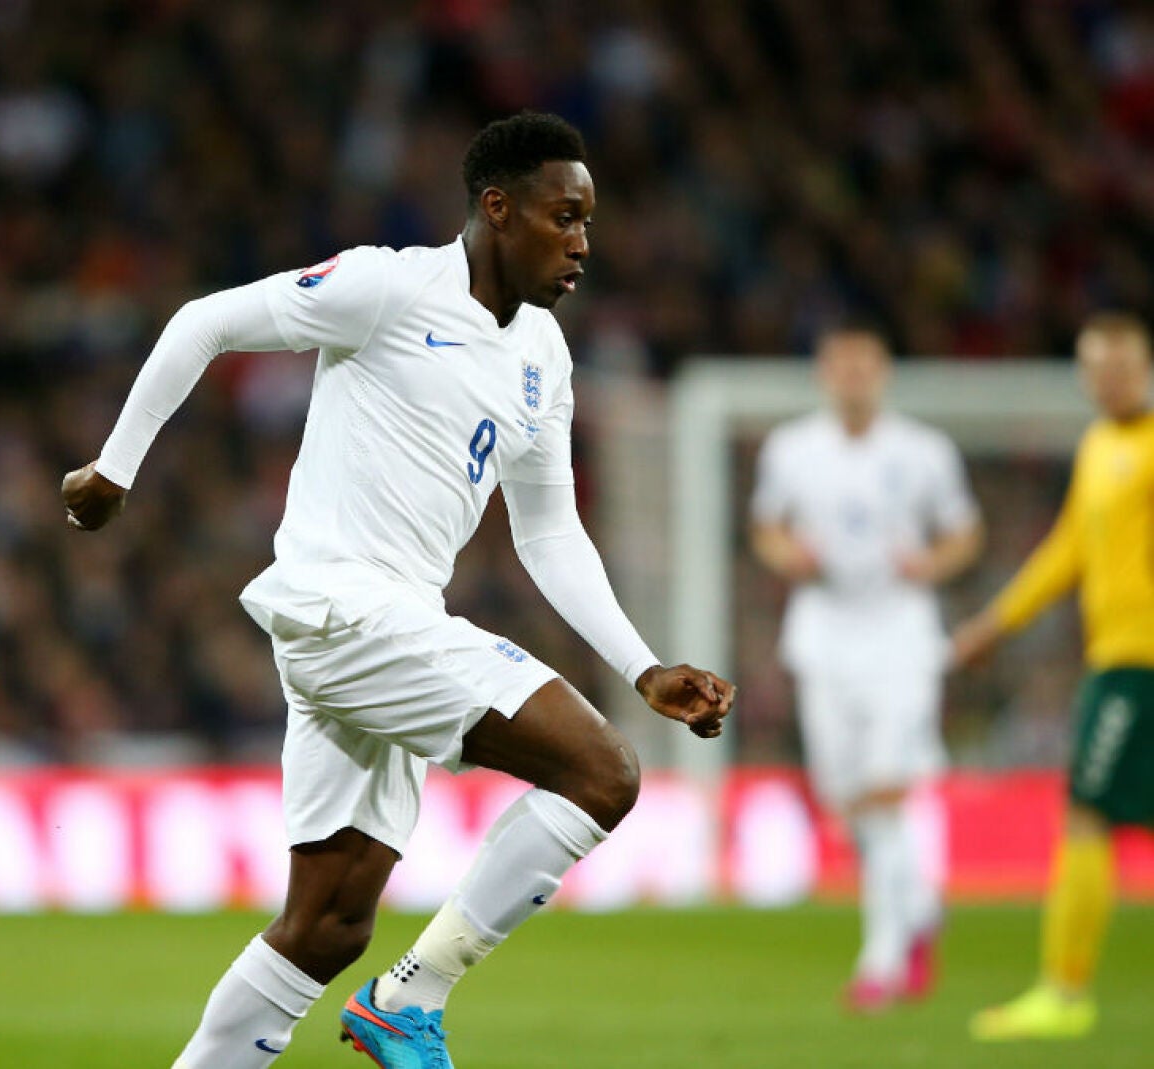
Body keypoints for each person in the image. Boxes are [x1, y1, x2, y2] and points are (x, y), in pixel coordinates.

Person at [62, 111, 734, 1068]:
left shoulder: (544, 355)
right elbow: (202, 321)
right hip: (342, 604)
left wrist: (642, 664)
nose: (583, 242)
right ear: (498, 208)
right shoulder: (387, 285)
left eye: (589, 221)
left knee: (328, 923)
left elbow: (548, 532)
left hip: (392, 623)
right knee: (603, 773)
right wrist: (114, 468)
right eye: (564, 216)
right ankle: (410, 1001)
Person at [749, 324, 983, 1012]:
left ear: (883, 373)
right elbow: (768, 526)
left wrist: (933, 563)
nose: (853, 377)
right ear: (825, 374)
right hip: (823, 635)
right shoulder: (792, 448)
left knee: (887, 790)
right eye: (842, 366)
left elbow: (964, 530)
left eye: (865, 366)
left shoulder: (923, 451)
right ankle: (920, 906)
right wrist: (787, 554)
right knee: (844, 799)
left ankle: (881, 955)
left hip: (902, 636)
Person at [953, 312, 1154, 1042]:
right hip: (1119, 662)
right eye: (1096, 368)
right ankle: (1063, 991)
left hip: (1141, 665)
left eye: (1123, 366)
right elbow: (1067, 551)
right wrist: (993, 624)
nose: (1110, 380)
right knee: (1089, 815)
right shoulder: (1102, 447)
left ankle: (1065, 993)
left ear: (1145, 367)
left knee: (1088, 815)